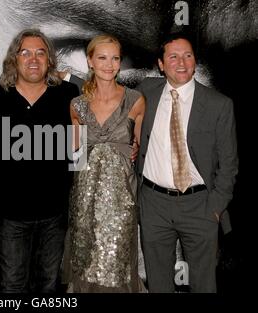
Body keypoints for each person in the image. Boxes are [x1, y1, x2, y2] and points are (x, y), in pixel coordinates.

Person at [0, 29, 79, 293]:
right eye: (26, 53)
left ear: (49, 60)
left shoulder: (68, 94)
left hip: (54, 215)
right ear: (14, 59)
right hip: (9, 215)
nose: (33, 59)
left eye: (40, 53)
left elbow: (79, 152)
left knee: (48, 285)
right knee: (12, 286)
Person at [136, 32, 238, 293]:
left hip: (200, 205)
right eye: (173, 57)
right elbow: (107, 95)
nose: (181, 63)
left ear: (195, 61)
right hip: (153, 204)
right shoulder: (146, 91)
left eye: (187, 55)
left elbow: (229, 164)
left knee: (205, 285)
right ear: (160, 64)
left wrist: (215, 207)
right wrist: (67, 78)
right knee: (158, 284)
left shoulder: (219, 105)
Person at [61, 35, 145, 292]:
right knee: (85, 267)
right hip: (85, 201)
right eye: (102, 57)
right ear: (90, 61)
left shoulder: (136, 101)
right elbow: (75, 155)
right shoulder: (77, 105)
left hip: (122, 203)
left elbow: (138, 152)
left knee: (117, 268)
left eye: (115, 58)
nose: (109, 65)